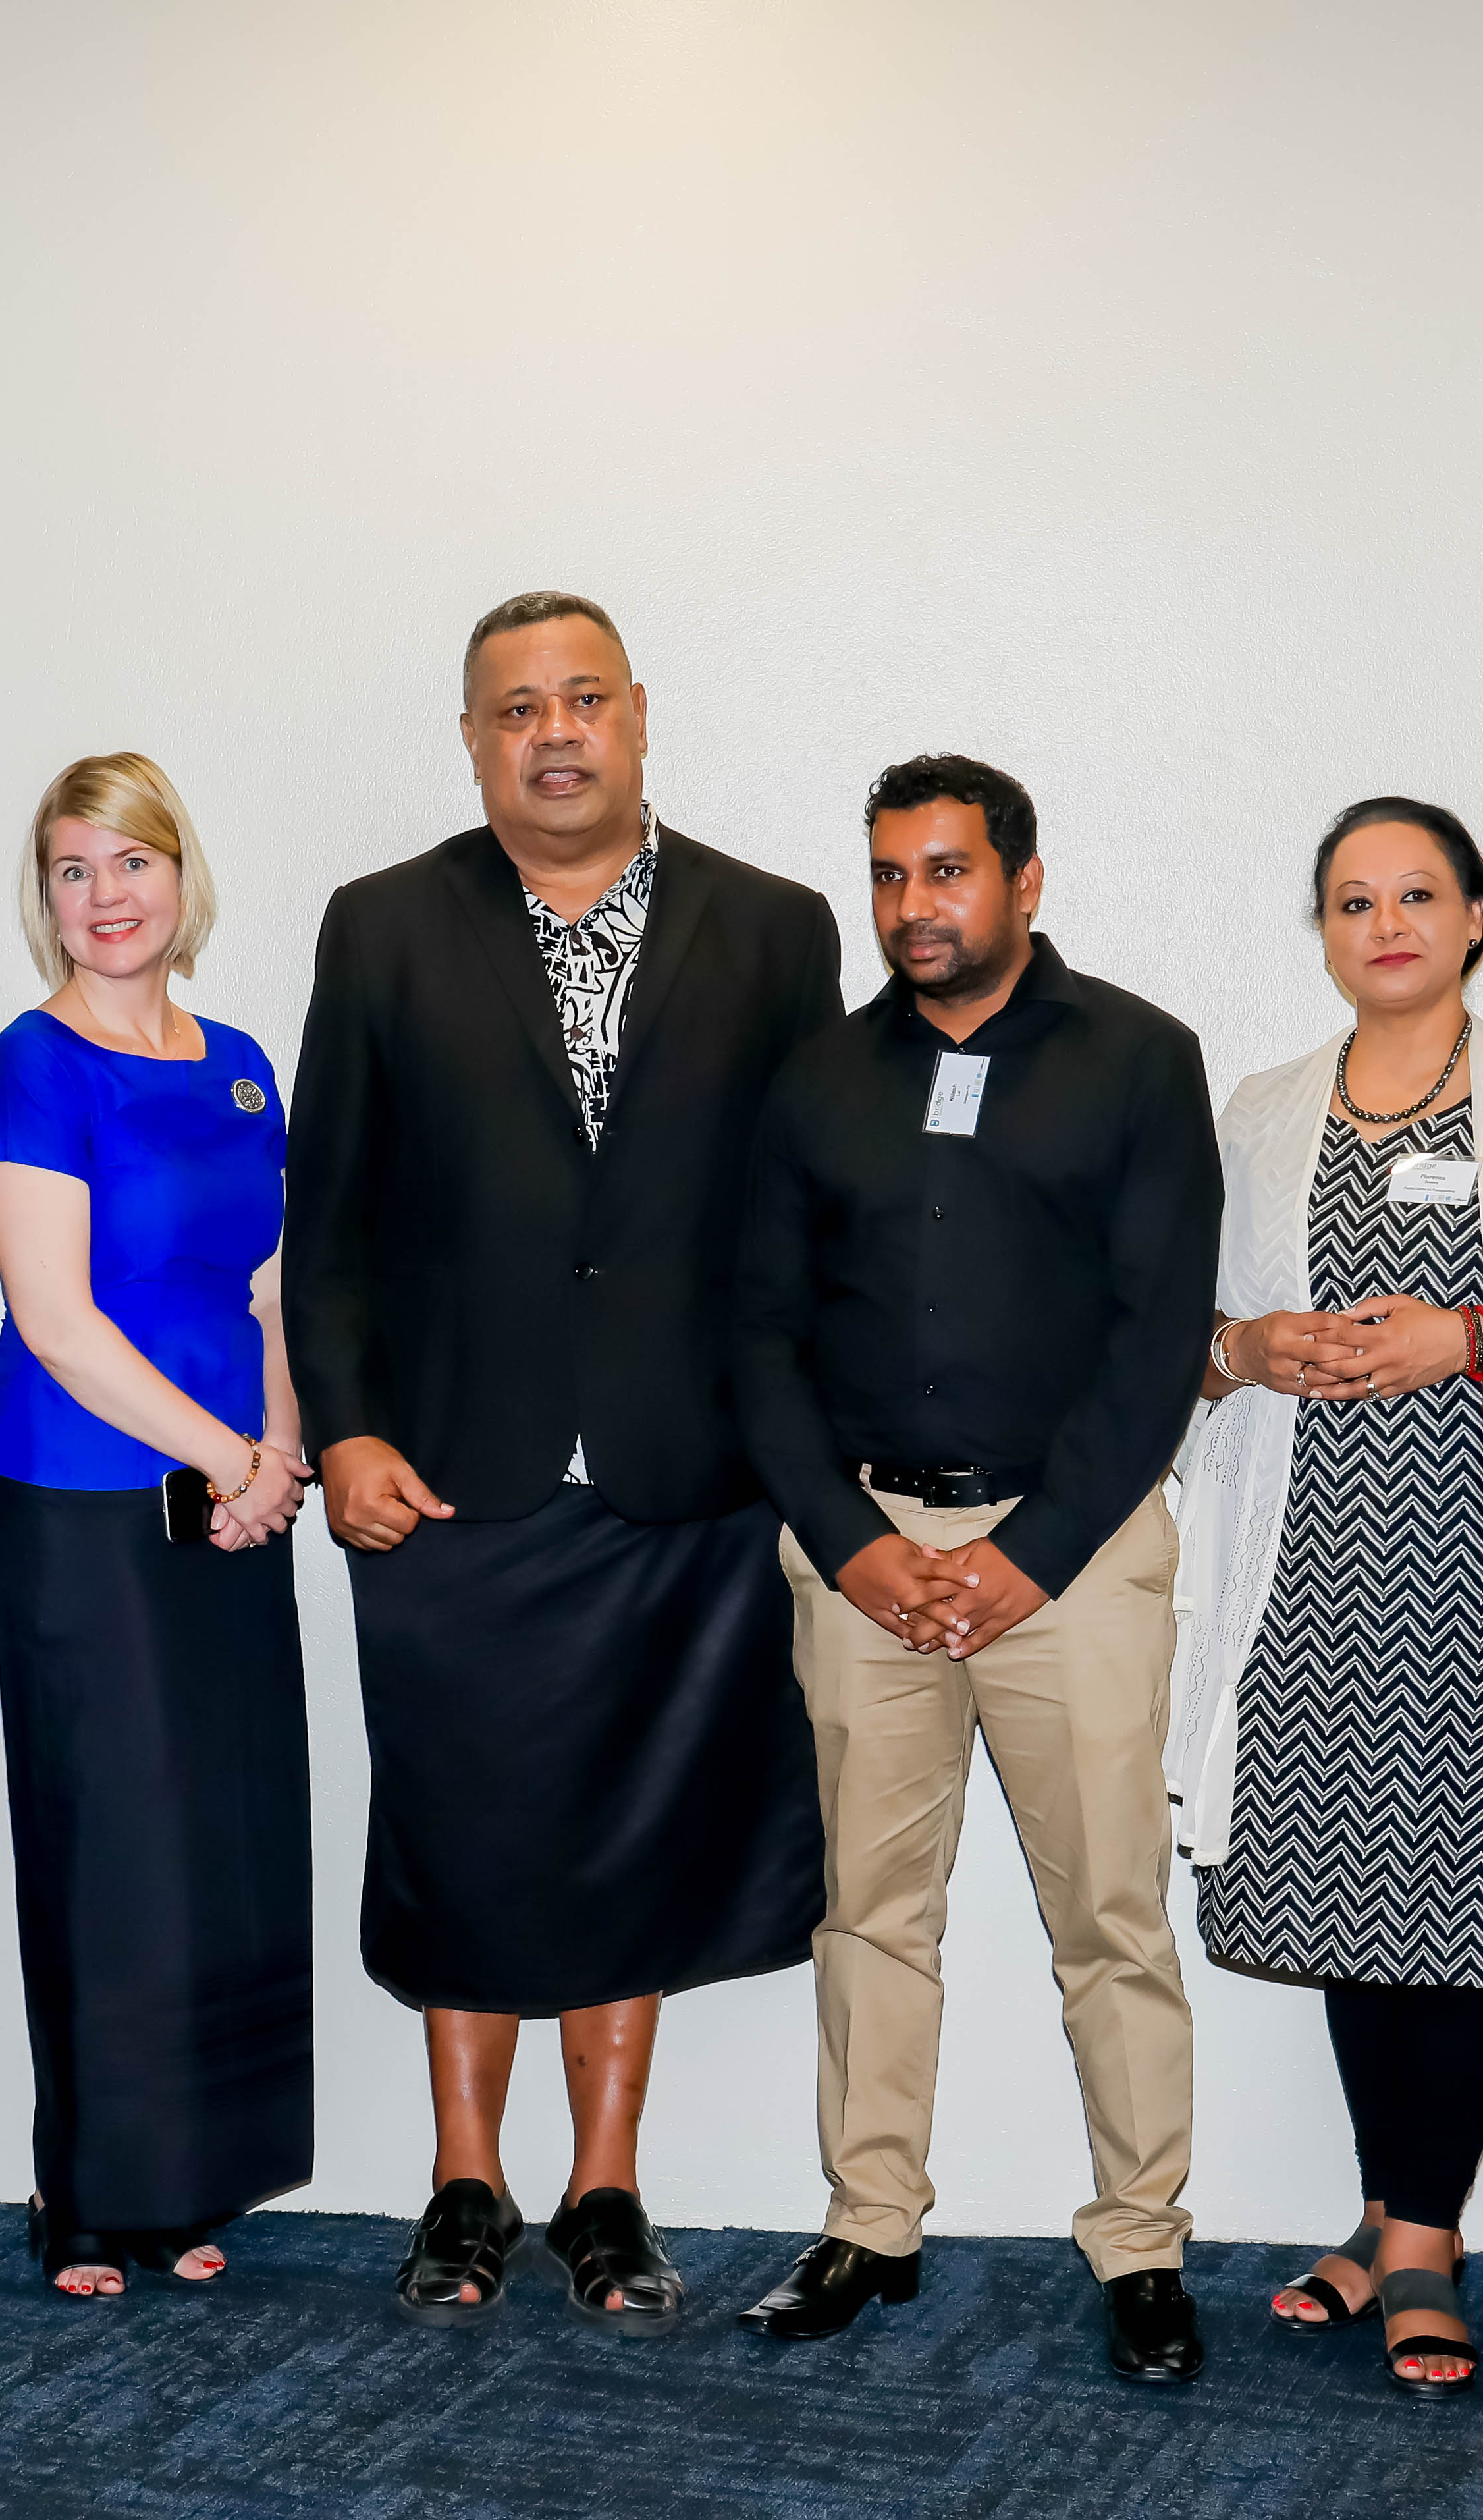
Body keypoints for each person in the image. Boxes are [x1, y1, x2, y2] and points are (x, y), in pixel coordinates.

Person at [285, 590, 837, 2328]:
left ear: (640, 715)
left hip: (686, 1475)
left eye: (582, 697)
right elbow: (334, 1219)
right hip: (452, 1469)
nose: (554, 730)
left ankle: (606, 2190)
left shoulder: (776, 929)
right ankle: (466, 2183)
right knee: (467, 1830)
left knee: (633, 1838)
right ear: (473, 741)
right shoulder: (385, 926)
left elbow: (800, 1220)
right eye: (514, 708)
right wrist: (349, 1426)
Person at [730, 756, 1221, 2374]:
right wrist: (857, 1546)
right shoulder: (817, 1079)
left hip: (1066, 1555)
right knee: (871, 1914)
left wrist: (1029, 1553)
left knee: (1113, 1915)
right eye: (888, 874)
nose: (913, 905)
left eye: (946, 871)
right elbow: (761, 1341)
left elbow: (1160, 1343)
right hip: (865, 1551)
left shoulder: (1141, 1059)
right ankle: (870, 2223)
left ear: (1022, 878)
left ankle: (1141, 2245)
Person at [1173, 799, 1483, 2398]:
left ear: (1476, 913)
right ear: (1323, 932)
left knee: (1463, 1906)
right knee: (1349, 1892)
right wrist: (1245, 1347)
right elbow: (1183, 1330)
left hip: (1481, 1557)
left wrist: (1463, 1339)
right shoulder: (1262, 1108)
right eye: (1353, 899)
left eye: (1418, 893)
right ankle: (1382, 2209)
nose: (1386, 921)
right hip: (1308, 1557)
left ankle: (1423, 2243)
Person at [0, 753, 312, 2297]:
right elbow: (56, 1317)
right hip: (79, 1492)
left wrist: (282, 1446)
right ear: (44, 901)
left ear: (184, 878)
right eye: (71, 870)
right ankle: (87, 2193)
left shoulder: (238, 1059)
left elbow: (271, 1282)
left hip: (235, 1492)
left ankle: (190, 2172)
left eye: (131, 863)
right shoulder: (34, 1063)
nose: (105, 897)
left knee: (216, 1837)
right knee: (107, 1839)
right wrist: (234, 1455)